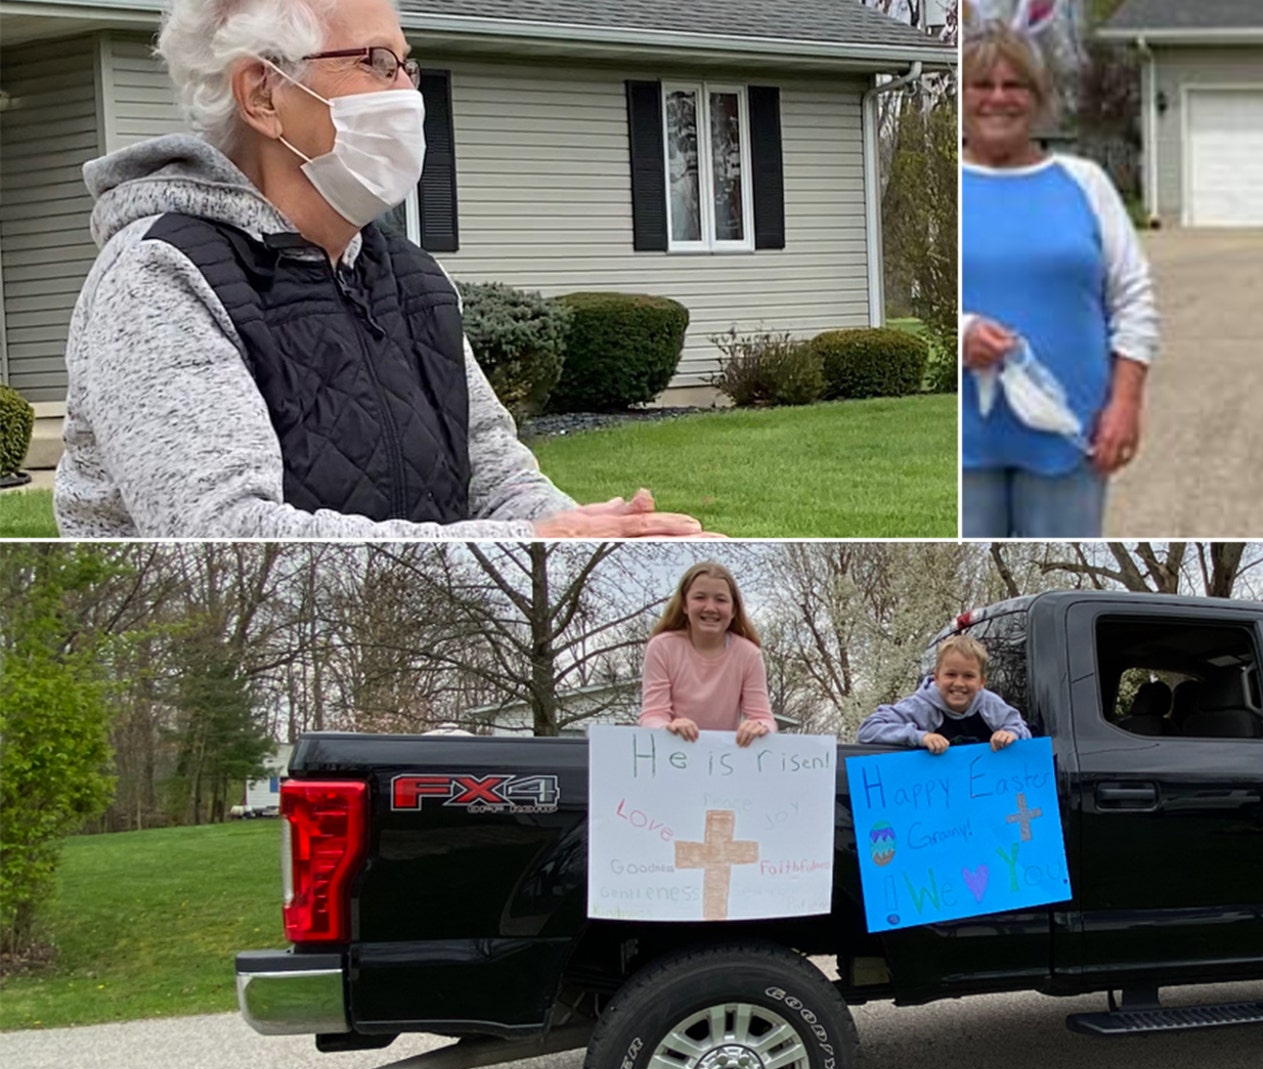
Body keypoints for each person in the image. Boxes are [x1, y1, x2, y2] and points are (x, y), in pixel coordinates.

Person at [56, 0, 709, 539]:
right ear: (263, 94)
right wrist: (527, 543)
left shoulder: (412, 279)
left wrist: (587, 531)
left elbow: (497, 480)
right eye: (377, 64)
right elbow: (224, 538)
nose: (407, 94)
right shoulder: (162, 278)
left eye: (408, 67)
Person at [960, 2, 1158, 538]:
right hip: (964, 444)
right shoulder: (950, 184)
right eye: (981, 84)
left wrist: (1125, 402)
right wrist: (962, 333)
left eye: (1014, 84)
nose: (998, 97)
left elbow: (1133, 298)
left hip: (1068, 435)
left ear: (1038, 96)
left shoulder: (1083, 183)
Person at [640, 562, 774, 749]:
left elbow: (764, 718)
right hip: (673, 753)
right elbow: (652, 715)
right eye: (700, 598)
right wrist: (667, 728)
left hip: (725, 759)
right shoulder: (662, 647)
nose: (710, 608)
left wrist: (758, 727)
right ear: (685, 605)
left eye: (720, 600)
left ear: (734, 610)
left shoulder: (749, 654)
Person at [858, 636, 1031, 755]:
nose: (959, 683)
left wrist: (1011, 734)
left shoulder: (991, 705)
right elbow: (868, 730)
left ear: (981, 682)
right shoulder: (920, 706)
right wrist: (920, 737)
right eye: (951, 675)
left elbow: (1023, 732)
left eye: (968, 676)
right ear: (937, 677)